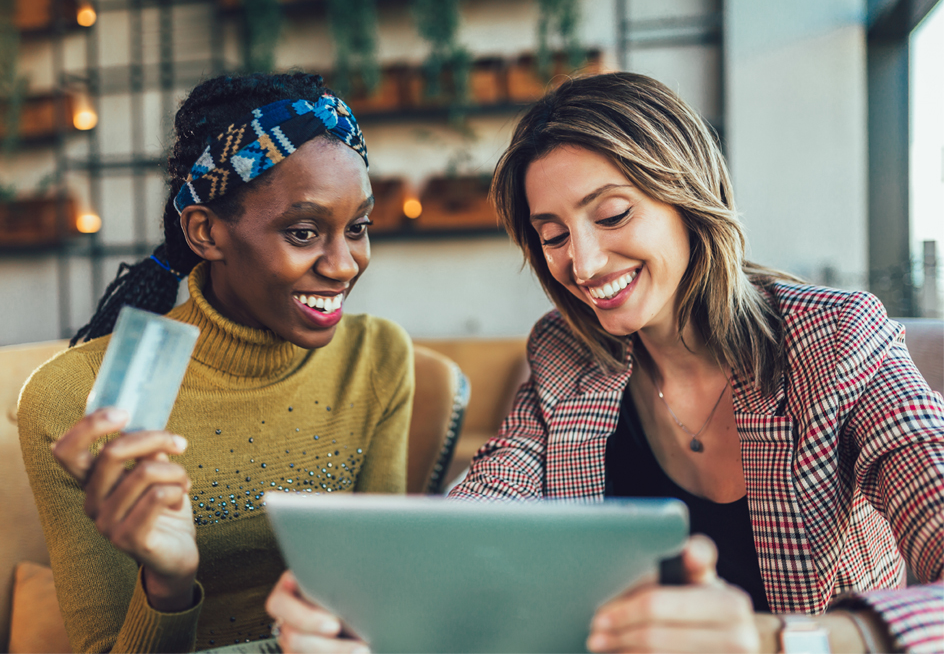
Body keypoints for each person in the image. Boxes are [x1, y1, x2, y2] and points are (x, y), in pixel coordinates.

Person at [267, 73, 943, 653]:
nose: (582, 265)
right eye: (554, 235)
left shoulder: (838, 340)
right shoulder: (565, 355)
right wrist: (366, 604)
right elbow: (484, 511)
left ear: (686, 196)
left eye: (613, 214)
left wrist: (782, 639)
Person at [18, 72, 413, 653]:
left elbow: (385, 596)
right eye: (304, 233)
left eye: (357, 229)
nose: (345, 264)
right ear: (205, 232)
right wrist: (168, 584)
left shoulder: (376, 356)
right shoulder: (78, 398)